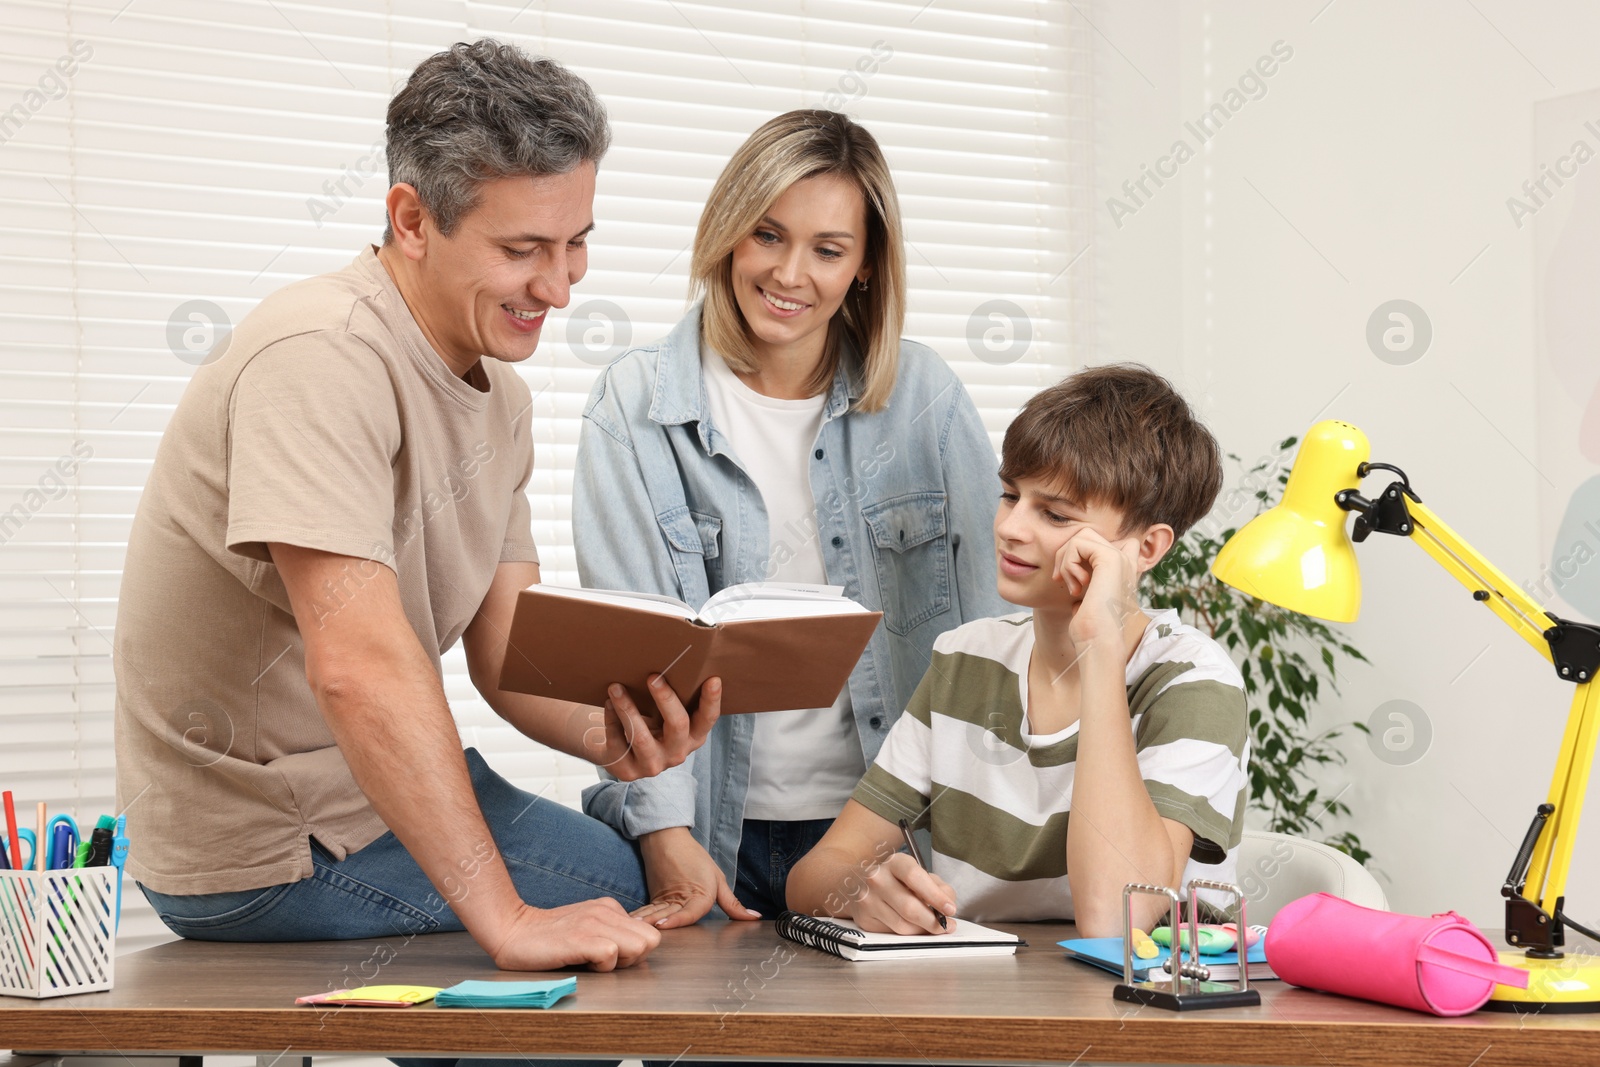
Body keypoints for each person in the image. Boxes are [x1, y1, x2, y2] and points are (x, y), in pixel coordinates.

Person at [114, 40, 719, 975]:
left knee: (631, 889)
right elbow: (359, 667)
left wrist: (610, 732)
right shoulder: (319, 354)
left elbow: (508, 647)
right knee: (619, 907)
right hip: (267, 841)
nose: (559, 288)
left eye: (576, 243)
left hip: (361, 793)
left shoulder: (502, 400)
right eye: (523, 250)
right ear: (411, 218)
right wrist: (510, 920)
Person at [573, 109, 1009, 928]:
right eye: (767, 234)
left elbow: (998, 629)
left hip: (886, 836)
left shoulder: (927, 401)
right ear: (729, 230)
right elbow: (626, 657)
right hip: (706, 830)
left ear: (867, 265)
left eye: (828, 249)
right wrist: (665, 835)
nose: (790, 273)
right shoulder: (632, 408)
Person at [786, 364, 1250, 938]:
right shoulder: (966, 658)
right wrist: (859, 891)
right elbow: (812, 876)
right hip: (989, 999)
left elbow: (1116, 919)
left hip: (1146, 1010)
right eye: (1011, 495)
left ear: (1146, 548)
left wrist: (1101, 648)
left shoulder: (1193, 682)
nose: (1010, 527)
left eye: (1055, 514)